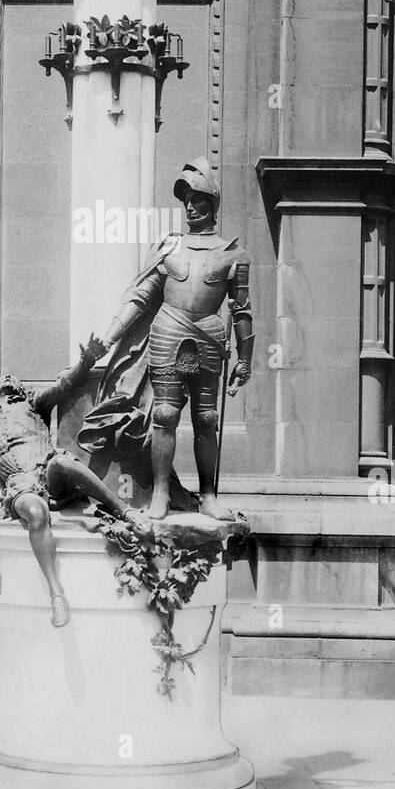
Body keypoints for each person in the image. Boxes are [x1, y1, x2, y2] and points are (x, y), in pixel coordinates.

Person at [97, 158, 254, 521]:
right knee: (165, 415)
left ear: (212, 202)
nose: (189, 206)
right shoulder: (169, 248)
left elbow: (242, 310)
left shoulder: (233, 253)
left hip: (210, 339)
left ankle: (209, 495)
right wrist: (109, 337)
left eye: (196, 198)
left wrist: (245, 358)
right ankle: (162, 494)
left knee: (207, 418)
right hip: (168, 333)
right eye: (185, 199)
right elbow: (142, 297)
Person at [0, 339, 148, 628]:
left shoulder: (33, 406)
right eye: (4, 387)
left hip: (45, 470)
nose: (8, 386)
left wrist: (87, 361)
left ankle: (124, 511)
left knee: (62, 462)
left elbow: (63, 386)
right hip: (19, 487)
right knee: (36, 514)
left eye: (13, 386)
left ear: (21, 392)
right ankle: (57, 595)